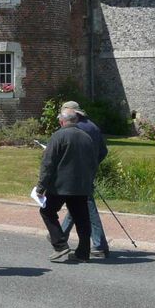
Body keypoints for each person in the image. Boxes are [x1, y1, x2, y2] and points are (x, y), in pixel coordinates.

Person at [36, 108, 100, 263]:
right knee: (82, 219)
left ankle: (60, 244)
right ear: (76, 121)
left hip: (60, 186)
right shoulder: (86, 137)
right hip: (81, 186)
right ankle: (83, 253)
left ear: (61, 121)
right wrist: (89, 181)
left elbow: (48, 163)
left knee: (47, 211)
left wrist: (41, 187)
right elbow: (94, 162)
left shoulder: (58, 136)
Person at [58, 100, 111, 258]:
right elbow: (103, 151)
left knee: (88, 206)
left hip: (77, 174)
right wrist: (93, 165)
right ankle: (61, 235)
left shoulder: (77, 129)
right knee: (78, 205)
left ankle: (100, 244)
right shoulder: (93, 126)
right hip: (88, 171)